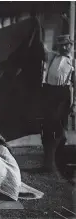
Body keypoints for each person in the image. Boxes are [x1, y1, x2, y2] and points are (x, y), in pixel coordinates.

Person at [40, 34, 75, 172]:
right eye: (62, 45)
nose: (65, 47)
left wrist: (74, 103)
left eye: (67, 45)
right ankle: (49, 162)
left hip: (63, 95)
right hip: (49, 92)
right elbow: (43, 49)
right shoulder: (52, 56)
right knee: (48, 128)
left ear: (71, 46)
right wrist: (37, 30)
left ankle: (58, 158)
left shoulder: (73, 62)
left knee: (59, 127)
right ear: (58, 46)